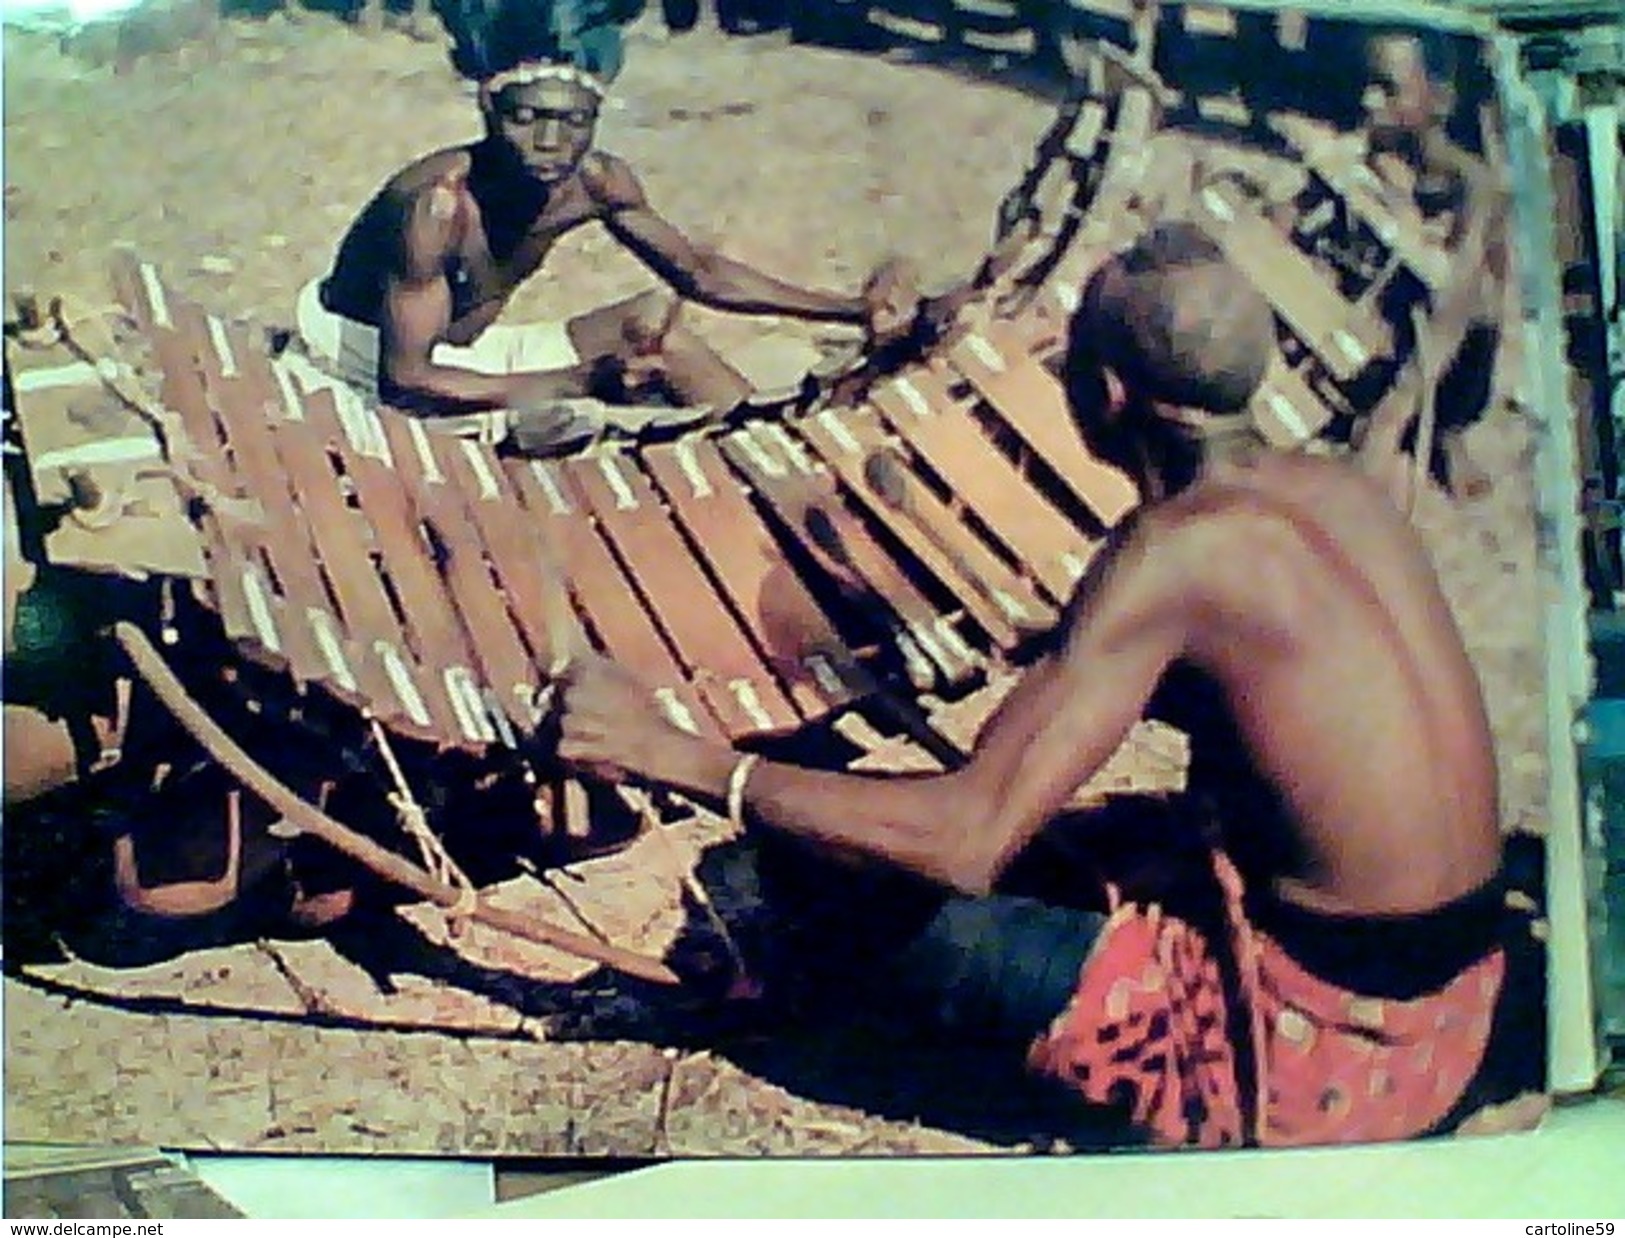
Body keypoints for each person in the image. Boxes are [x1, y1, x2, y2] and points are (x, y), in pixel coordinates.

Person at [552, 222, 1526, 1148]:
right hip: (1454, 1000)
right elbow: (1268, 697)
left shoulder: (1175, 551)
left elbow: (963, 839)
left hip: (1324, 1051)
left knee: (820, 870)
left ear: (1103, 393)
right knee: (968, 833)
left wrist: (673, 755)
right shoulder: (1341, 492)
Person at [294, 11, 920, 453]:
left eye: (572, 123)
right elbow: (405, 380)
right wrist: (581, 381)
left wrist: (850, 310)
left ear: (594, 119)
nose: (549, 142)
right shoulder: (437, 209)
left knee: (655, 326)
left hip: (462, 355)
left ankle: (781, 459)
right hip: (367, 364)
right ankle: (769, 465)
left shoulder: (594, 181)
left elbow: (698, 274)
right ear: (489, 112)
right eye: (527, 119)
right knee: (598, 391)